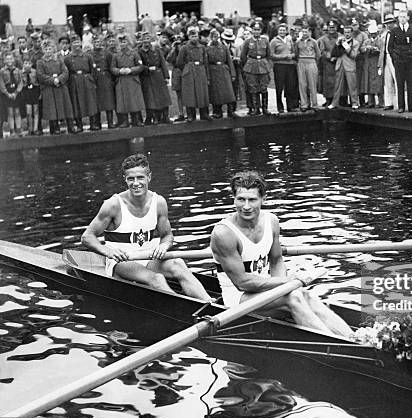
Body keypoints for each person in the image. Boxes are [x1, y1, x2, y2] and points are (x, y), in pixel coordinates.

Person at [210, 171, 353, 337]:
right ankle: (340, 347)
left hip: (263, 290)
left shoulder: (271, 221)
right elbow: (243, 283)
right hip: (238, 299)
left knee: (302, 293)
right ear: (234, 199)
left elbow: (277, 261)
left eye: (252, 200)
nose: (246, 206)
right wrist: (287, 283)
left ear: (264, 199)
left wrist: (283, 286)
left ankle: (356, 339)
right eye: (241, 199)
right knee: (294, 298)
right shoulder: (223, 234)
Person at [81, 154, 212, 302]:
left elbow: (167, 236)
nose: (136, 183)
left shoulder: (159, 202)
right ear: (125, 179)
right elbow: (87, 237)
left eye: (140, 178)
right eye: (131, 179)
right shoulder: (113, 205)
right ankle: (185, 309)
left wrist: (163, 246)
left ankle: (213, 306)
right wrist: (109, 252)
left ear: (149, 177)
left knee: (179, 264)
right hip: (122, 262)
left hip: (148, 258)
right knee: (157, 279)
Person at [36, 41, 76, 135]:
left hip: (60, 87)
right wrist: (52, 80)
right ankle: (54, 127)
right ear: (43, 50)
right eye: (46, 49)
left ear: (53, 49)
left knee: (66, 106)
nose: (48, 51)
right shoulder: (40, 62)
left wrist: (59, 79)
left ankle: (70, 126)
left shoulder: (59, 60)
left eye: (50, 49)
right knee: (52, 108)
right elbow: (40, 75)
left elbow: (65, 72)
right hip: (48, 88)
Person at [388, 10, 412, 113]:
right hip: (399, 61)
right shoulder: (394, 31)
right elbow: (390, 47)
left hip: (411, 60)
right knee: (400, 84)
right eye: (400, 17)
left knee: (411, 83)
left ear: (408, 18)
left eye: (404, 17)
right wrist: (395, 58)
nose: (402, 19)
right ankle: (401, 106)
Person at [64, 36, 98, 132]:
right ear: (71, 45)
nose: (76, 45)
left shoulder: (88, 56)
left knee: (90, 102)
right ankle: (79, 125)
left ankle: (93, 123)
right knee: (76, 103)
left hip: (87, 81)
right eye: (74, 43)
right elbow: (66, 72)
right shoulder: (68, 58)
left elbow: (93, 70)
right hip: (75, 82)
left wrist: (91, 80)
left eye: (78, 42)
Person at [177, 28, 211, 122]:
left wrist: (207, 76)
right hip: (189, 72)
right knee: (190, 94)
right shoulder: (184, 48)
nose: (194, 38)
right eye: (192, 36)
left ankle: (204, 114)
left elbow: (205, 62)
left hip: (200, 71)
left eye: (195, 36)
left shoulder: (202, 47)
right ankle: (191, 115)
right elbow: (179, 62)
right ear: (189, 37)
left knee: (202, 92)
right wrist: (187, 68)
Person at [111, 35, 146, 128]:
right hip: (122, 81)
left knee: (134, 101)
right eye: (121, 42)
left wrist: (131, 70)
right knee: (123, 102)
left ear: (128, 43)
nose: (123, 44)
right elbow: (112, 68)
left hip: (133, 80)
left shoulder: (134, 54)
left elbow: (141, 66)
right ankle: (124, 121)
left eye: (124, 42)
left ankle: (137, 120)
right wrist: (119, 71)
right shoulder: (116, 55)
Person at [138, 33, 172, 125]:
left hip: (158, 76)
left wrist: (166, 76)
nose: (146, 41)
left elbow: (163, 63)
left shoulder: (157, 50)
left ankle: (165, 116)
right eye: (144, 39)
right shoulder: (139, 52)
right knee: (150, 98)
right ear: (142, 40)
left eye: (148, 38)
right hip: (147, 77)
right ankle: (153, 117)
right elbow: (139, 65)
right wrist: (147, 69)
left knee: (163, 97)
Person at [240, 22, 272, 116]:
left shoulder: (265, 40)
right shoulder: (247, 41)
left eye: (258, 30)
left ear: (261, 30)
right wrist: (249, 63)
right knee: (253, 87)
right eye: (254, 29)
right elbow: (243, 55)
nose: (256, 31)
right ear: (252, 30)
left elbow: (268, 54)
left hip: (263, 65)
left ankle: (265, 108)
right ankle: (256, 108)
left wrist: (267, 65)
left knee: (263, 87)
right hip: (251, 66)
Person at [328, 25, 360, 109]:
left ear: (352, 33)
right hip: (340, 65)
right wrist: (337, 44)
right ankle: (334, 103)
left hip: (350, 65)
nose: (347, 34)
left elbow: (353, 55)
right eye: (345, 32)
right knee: (337, 86)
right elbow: (333, 53)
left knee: (352, 85)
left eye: (348, 32)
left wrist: (345, 45)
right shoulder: (339, 41)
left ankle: (355, 102)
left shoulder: (355, 43)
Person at [206, 29, 236, 118]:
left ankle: (231, 110)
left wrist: (232, 74)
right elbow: (206, 63)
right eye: (214, 37)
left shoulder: (224, 47)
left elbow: (229, 61)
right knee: (216, 92)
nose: (216, 39)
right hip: (213, 71)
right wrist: (208, 77)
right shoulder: (207, 49)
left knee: (228, 91)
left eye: (217, 37)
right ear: (211, 38)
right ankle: (217, 111)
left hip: (224, 70)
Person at [269, 23, 298, 113]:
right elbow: (271, 55)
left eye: (284, 30)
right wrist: (283, 56)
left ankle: (290, 106)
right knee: (279, 86)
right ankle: (280, 106)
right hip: (279, 66)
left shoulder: (289, 40)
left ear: (286, 31)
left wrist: (291, 56)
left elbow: (294, 52)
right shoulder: (274, 41)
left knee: (290, 86)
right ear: (278, 31)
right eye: (280, 30)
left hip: (290, 65)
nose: (282, 32)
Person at [91, 35, 116, 129]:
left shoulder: (107, 53)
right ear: (92, 43)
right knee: (96, 101)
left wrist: (111, 79)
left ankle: (110, 122)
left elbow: (111, 66)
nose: (97, 44)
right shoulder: (89, 54)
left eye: (98, 42)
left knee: (108, 100)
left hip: (106, 78)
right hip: (95, 79)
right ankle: (97, 123)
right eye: (95, 42)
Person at [296, 26, 321, 111]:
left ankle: (314, 104)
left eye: (306, 31)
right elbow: (296, 53)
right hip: (301, 62)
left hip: (311, 62)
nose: (304, 33)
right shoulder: (298, 42)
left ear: (309, 32)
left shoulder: (314, 42)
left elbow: (318, 54)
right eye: (303, 31)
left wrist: (313, 62)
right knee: (302, 84)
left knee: (312, 84)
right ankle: (304, 104)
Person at [0, 53, 23, 137]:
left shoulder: (17, 70)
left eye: (11, 59)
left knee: (17, 111)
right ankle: (12, 130)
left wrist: (16, 92)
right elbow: (1, 83)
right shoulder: (2, 71)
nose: (9, 61)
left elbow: (20, 82)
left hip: (16, 92)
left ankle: (19, 130)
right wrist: (7, 93)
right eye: (7, 59)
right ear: (4, 61)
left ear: (13, 60)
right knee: (10, 112)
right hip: (7, 92)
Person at [377, 14, 397, 110]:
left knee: (397, 80)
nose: (389, 25)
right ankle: (388, 103)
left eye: (391, 23)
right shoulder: (384, 34)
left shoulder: (397, 32)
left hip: (394, 58)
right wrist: (380, 63)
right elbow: (381, 49)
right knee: (387, 81)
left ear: (394, 23)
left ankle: (398, 103)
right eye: (387, 23)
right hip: (386, 57)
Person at [318, 21, 339, 108]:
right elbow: (322, 51)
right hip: (328, 63)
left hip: (338, 62)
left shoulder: (340, 37)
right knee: (328, 82)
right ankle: (328, 99)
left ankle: (340, 99)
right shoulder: (323, 39)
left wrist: (337, 57)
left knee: (338, 81)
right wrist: (330, 57)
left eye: (333, 27)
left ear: (336, 28)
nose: (332, 29)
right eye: (330, 27)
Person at [20, 55, 41, 135]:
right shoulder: (21, 73)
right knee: (29, 112)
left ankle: (35, 129)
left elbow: (38, 83)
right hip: (26, 92)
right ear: (23, 64)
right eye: (25, 63)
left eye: (29, 63)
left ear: (31, 64)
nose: (27, 65)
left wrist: (40, 93)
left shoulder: (35, 72)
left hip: (34, 91)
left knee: (36, 111)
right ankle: (30, 129)